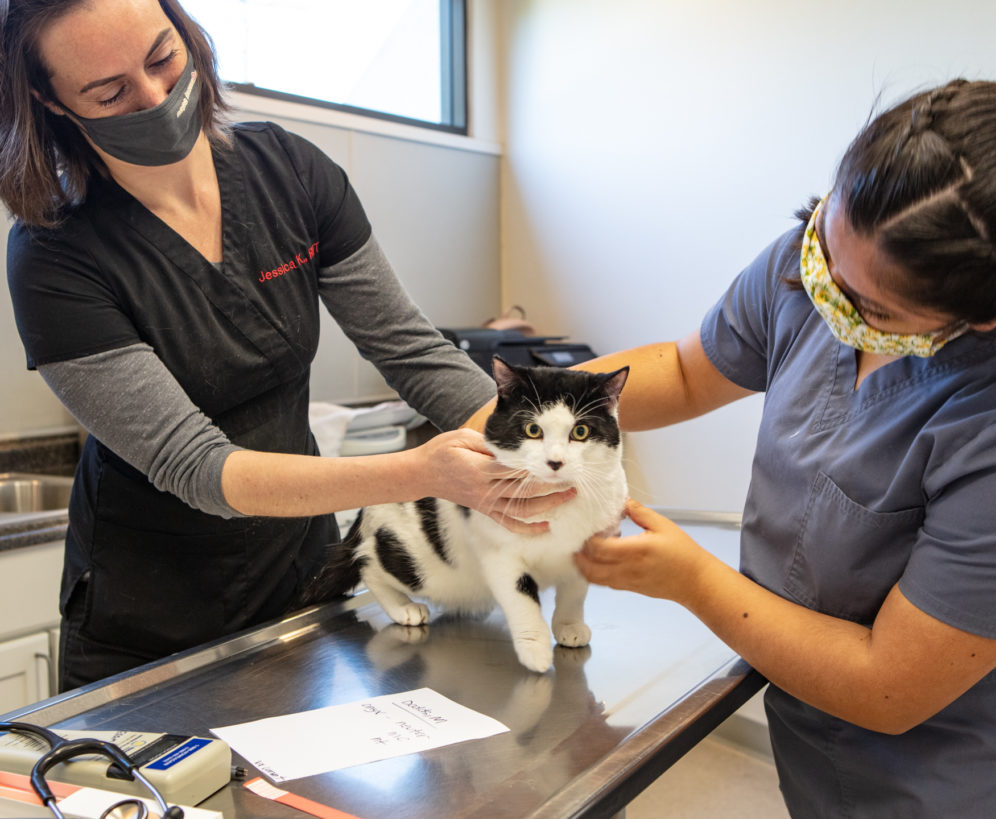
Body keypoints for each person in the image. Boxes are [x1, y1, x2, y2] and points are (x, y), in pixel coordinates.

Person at [0, 0, 571, 690]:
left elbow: (412, 352)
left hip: (302, 577)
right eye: (111, 91)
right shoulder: (54, 255)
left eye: (162, 58)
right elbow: (198, 466)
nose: (157, 98)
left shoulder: (290, 174)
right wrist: (420, 471)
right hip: (149, 617)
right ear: (48, 99)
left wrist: (546, 466)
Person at [574, 79, 996, 816]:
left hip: (954, 771)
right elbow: (687, 371)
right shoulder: (811, 262)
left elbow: (887, 684)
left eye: (870, 305)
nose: (826, 296)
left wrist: (690, 578)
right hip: (809, 729)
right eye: (825, 245)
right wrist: (522, 406)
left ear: (991, 312)